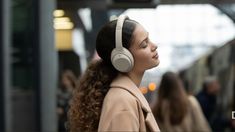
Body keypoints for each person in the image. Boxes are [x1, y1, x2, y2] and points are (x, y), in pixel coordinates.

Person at [67, 15, 160, 131]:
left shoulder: (122, 97)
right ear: (123, 59)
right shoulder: (123, 103)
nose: (154, 46)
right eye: (144, 44)